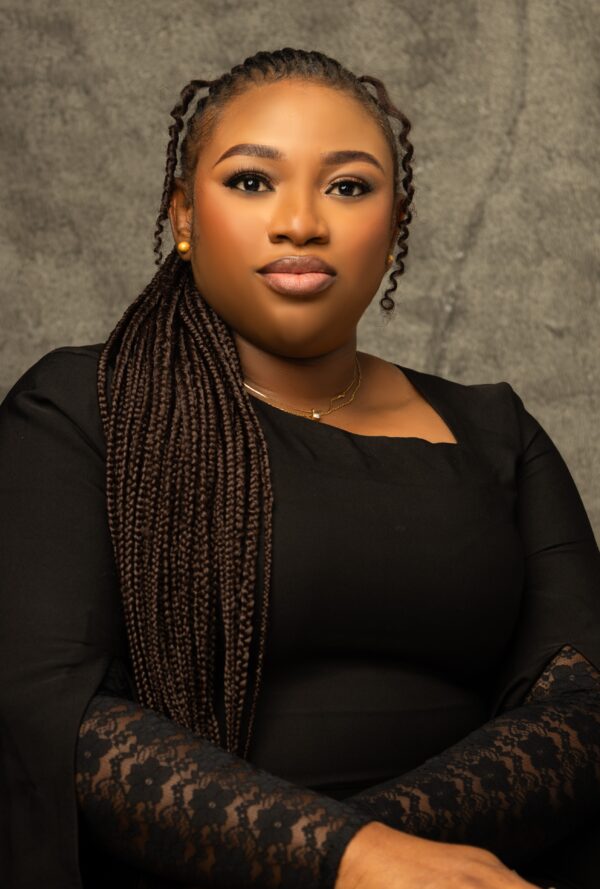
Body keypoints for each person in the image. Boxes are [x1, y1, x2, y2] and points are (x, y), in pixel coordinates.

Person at [0, 46, 598, 889]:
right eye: (252, 181)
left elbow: (581, 704)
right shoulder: (79, 408)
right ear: (183, 214)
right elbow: (51, 714)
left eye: (348, 187)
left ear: (394, 225)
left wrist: (391, 856)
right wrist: (342, 858)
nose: (300, 222)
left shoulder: (497, 430)